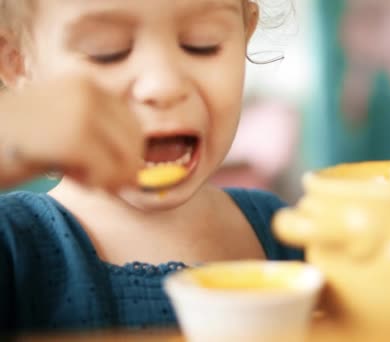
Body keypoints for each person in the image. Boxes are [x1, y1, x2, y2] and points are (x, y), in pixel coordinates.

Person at [0, 0, 302, 333]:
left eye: (203, 44)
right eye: (107, 51)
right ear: (18, 63)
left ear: (245, 34)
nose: (164, 86)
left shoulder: (286, 232)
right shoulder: (14, 244)